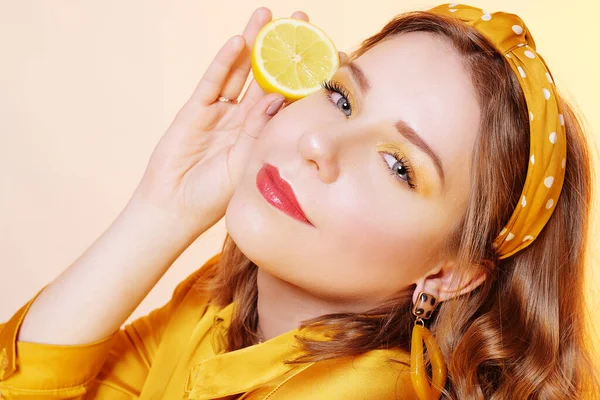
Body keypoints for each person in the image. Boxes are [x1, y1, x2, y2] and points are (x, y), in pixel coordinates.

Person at [0, 3, 597, 399]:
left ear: (449, 274)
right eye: (341, 99)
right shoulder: (221, 307)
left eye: (398, 166)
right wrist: (162, 210)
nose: (319, 142)